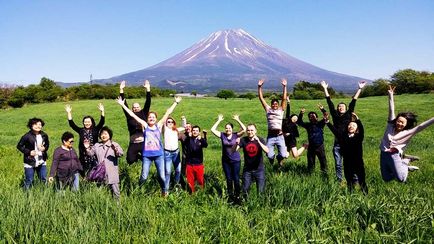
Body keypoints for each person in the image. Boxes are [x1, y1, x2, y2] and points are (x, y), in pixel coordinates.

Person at [116, 96, 181, 196]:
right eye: (150, 117)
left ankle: (164, 191)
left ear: (156, 119)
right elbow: (132, 115)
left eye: (153, 117)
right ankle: (138, 191)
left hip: (159, 155)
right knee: (144, 177)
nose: (151, 118)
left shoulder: (159, 125)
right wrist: (122, 105)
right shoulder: (145, 125)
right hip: (147, 156)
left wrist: (175, 102)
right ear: (147, 119)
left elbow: (167, 113)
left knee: (162, 177)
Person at [380, 85, 434, 182]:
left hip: (394, 155)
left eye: (402, 122)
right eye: (398, 121)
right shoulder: (390, 125)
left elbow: (422, 126)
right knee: (386, 178)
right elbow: (391, 110)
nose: (399, 123)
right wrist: (391, 95)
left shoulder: (408, 132)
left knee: (401, 179)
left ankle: (405, 162)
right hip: (383, 154)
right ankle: (403, 165)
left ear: (406, 124)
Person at [320, 80, 366, 183]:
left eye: (343, 107)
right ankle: (340, 181)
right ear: (337, 109)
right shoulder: (335, 115)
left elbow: (354, 100)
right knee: (338, 164)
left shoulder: (349, 114)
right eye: (339, 107)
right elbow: (329, 101)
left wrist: (360, 89)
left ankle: (355, 181)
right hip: (338, 143)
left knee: (351, 162)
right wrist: (325, 88)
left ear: (346, 109)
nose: (341, 108)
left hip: (348, 143)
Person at [326, 113, 368, 194]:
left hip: (358, 163)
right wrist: (327, 122)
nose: (351, 126)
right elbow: (335, 131)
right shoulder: (343, 137)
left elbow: (362, 130)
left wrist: (358, 120)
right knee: (349, 180)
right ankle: (351, 195)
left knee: (362, 180)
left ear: (356, 129)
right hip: (347, 163)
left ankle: (365, 195)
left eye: (353, 125)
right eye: (349, 125)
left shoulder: (358, 137)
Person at [211, 114, 246, 203]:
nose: (228, 129)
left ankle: (237, 196)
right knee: (229, 179)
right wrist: (219, 120)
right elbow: (212, 130)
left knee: (236, 178)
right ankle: (230, 196)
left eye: (229, 128)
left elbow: (244, 129)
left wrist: (238, 120)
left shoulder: (236, 135)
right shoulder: (222, 135)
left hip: (236, 161)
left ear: (232, 129)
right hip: (226, 161)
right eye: (226, 128)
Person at [65, 103, 105, 175]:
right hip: (83, 155)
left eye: (88, 122)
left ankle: (95, 181)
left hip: (94, 154)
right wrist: (69, 113)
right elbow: (72, 124)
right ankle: (86, 182)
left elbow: (102, 122)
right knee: (83, 171)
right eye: (85, 122)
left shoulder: (96, 129)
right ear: (83, 123)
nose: (87, 123)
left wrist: (102, 111)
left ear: (92, 122)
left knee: (95, 170)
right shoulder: (81, 130)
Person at [84, 126, 123, 199]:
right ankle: (102, 205)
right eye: (102, 134)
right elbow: (90, 154)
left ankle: (117, 208)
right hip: (100, 172)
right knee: (100, 192)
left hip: (112, 172)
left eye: (105, 134)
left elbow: (120, 154)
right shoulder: (97, 145)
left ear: (109, 135)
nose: (104, 135)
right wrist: (87, 147)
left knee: (115, 192)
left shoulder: (114, 144)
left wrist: (115, 150)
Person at [119, 80, 151, 165]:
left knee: (147, 160)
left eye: (137, 107)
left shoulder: (144, 113)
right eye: (134, 107)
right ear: (132, 109)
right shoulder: (130, 115)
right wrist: (121, 90)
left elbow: (148, 102)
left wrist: (148, 89)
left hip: (143, 142)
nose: (136, 108)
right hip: (133, 143)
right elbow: (124, 105)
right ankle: (138, 157)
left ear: (140, 107)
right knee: (130, 160)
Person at [257, 78, 288, 166]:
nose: (274, 105)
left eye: (276, 104)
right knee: (269, 155)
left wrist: (285, 87)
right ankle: (272, 161)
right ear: (271, 105)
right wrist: (259, 87)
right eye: (273, 104)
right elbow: (261, 98)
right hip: (270, 136)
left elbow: (284, 99)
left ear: (278, 105)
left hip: (280, 136)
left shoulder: (281, 110)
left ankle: (279, 159)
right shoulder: (268, 110)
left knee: (283, 154)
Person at [234, 124, 269, 197]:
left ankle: (259, 205)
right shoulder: (243, 140)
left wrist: (258, 141)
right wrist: (236, 143)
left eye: (252, 130)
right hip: (247, 170)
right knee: (245, 190)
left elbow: (267, 151)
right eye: (248, 130)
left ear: (255, 131)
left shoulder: (260, 139)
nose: (250, 132)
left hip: (259, 169)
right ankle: (245, 205)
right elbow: (233, 150)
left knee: (261, 191)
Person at [17, 118, 50, 190]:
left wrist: (44, 148)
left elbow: (47, 145)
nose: (38, 126)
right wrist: (29, 152)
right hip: (30, 161)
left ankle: (44, 195)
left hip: (41, 160)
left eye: (40, 124)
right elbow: (19, 146)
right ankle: (26, 196)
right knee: (29, 180)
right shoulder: (27, 136)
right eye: (35, 124)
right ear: (31, 125)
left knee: (43, 179)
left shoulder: (44, 135)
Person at [297, 106, 328, 175]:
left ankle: (325, 175)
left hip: (320, 146)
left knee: (323, 161)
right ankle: (310, 175)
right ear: (309, 118)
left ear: (317, 117)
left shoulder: (320, 124)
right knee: (311, 162)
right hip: (311, 146)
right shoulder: (308, 125)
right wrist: (301, 113)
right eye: (310, 116)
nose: (312, 117)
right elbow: (299, 122)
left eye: (313, 116)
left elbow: (326, 116)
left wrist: (322, 109)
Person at [163, 116, 184, 193]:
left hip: (176, 153)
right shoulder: (165, 130)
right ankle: (166, 191)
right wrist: (167, 115)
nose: (170, 123)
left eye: (172, 122)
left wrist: (183, 119)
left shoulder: (176, 130)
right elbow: (163, 121)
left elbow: (184, 126)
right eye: (168, 122)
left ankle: (176, 187)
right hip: (167, 153)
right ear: (166, 123)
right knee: (168, 172)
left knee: (178, 170)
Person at [184, 125, 208, 193]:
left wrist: (203, 137)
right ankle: (192, 194)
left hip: (199, 164)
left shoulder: (200, 139)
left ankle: (201, 193)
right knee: (190, 181)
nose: (195, 132)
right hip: (189, 164)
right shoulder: (189, 139)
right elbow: (185, 142)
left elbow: (205, 145)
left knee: (200, 180)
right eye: (193, 130)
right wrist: (189, 136)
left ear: (199, 132)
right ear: (191, 131)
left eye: (196, 131)